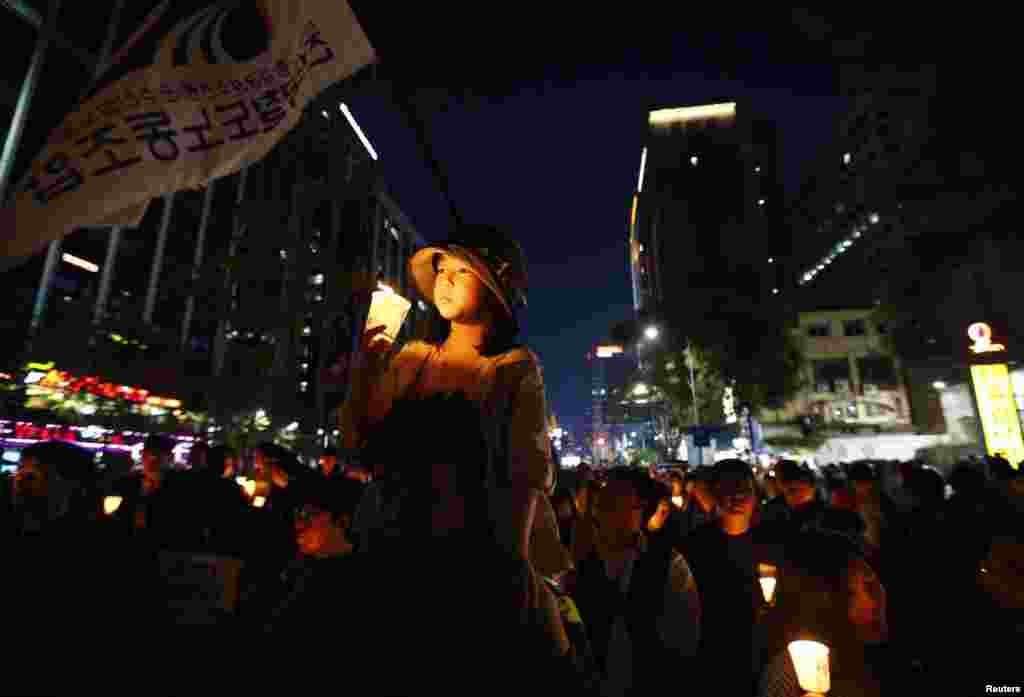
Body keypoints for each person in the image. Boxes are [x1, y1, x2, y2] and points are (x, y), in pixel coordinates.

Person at [338, 224, 572, 685]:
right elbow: (357, 440)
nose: (444, 279)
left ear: (495, 289)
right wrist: (365, 367)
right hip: (392, 555)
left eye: (460, 271)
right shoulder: (412, 358)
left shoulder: (513, 368)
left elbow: (525, 476)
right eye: (441, 269)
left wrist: (507, 567)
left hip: (474, 566)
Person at [570, 468, 700, 696]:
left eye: (619, 496)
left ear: (641, 508)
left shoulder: (668, 563)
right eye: (605, 496)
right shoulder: (579, 562)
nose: (605, 501)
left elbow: (685, 634)